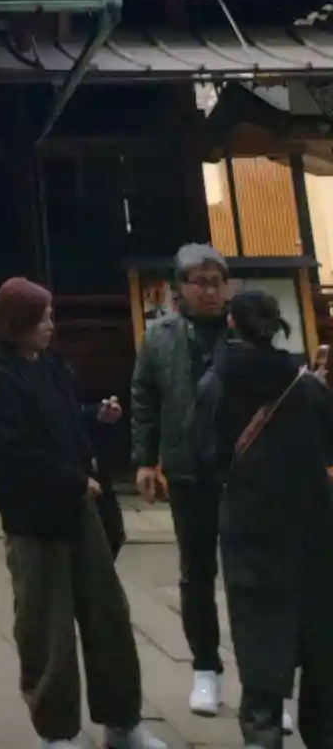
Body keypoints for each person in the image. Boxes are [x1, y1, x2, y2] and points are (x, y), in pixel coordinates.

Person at [0, 276, 165, 749]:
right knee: (47, 627)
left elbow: (62, 423)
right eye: (41, 318)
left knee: (108, 616)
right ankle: (57, 730)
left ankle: (122, 722)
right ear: (16, 323)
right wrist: (71, 480)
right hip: (35, 517)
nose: (49, 325)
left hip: (81, 509)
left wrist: (94, 415)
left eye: (50, 316)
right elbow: (11, 451)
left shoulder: (52, 366)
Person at [196, 290, 333, 749]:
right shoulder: (307, 387)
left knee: (259, 635)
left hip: (249, 527)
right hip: (312, 528)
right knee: (319, 634)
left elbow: (204, 456)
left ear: (232, 323)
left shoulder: (215, 383)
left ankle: (262, 732)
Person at [131, 242, 246, 721]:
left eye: (218, 282)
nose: (211, 292)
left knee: (249, 575)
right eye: (201, 283)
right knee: (196, 572)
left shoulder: (244, 333)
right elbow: (144, 398)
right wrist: (144, 460)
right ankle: (205, 668)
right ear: (180, 289)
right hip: (187, 469)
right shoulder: (159, 338)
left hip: (242, 472)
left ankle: (262, 681)